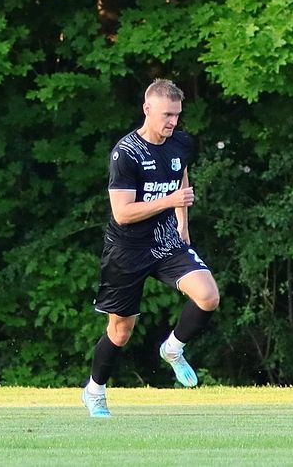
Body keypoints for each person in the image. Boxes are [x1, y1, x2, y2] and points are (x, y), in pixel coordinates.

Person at [81, 79, 221, 417]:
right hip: (127, 249)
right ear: (147, 109)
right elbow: (122, 213)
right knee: (121, 331)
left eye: (177, 115)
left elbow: (180, 174)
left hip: (166, 240)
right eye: (166, 115)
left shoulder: (180, 143)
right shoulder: (126, 153)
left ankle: (172, 349)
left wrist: (182, 222)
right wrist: (169, 201)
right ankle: (95, 390)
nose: (173, 121)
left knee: (208, 296)